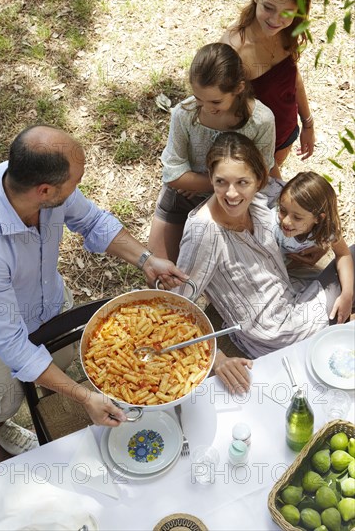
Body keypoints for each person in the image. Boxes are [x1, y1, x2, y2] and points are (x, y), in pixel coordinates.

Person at [0, 125, 188, 456]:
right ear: (44, 190)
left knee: (54, 365)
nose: (78, 187)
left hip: (50, 306)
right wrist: (84, 397)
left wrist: (147, 260)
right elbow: (12, 345)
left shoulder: (34, 187)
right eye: (75, 183)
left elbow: (93, 222)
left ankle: (49, 389)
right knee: (0, 399)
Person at [174, 132, 354, 392]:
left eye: (242, 182)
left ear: (259, 179)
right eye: (221, 182)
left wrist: (315, 241)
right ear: (210, 179)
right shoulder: (204, 232)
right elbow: (175, 305)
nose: (231, 193)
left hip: (288, 297)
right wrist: (217, 358)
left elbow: (304, 205)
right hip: (280, 330)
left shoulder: (262, 199)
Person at [148, 42, 282, 262]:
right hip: (183, 198)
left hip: (235, 201)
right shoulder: (184, 114)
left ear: (239, 88)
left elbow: (261, 175)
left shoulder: (261, 120)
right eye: (198, 98)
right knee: (160, 275)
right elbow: (173, 176)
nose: (206, 107)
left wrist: (200, 183)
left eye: (216, 101)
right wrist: (227, 181)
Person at [220, 0, 315, 166]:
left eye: (287, 12)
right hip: (252, 148)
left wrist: (308, 123)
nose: (275, 20)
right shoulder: (233, 49)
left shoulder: (288, 30)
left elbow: (293, 78)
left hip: (286, 131)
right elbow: (216, 110)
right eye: (268, 8)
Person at [272, 171, 354, 321]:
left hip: (291, 268)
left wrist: (347, 295)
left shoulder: (327, 231)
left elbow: (344, 254)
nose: (286, 221)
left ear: (318, 218)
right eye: (283, 210)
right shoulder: (270, 225)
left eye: (297, 217)